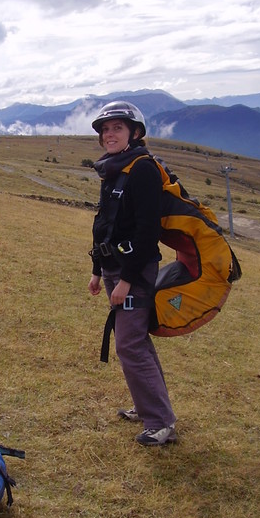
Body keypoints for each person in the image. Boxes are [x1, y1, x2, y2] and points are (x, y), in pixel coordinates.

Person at [88, 101, 177, 446]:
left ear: (135, 133)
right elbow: (105, 223)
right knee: (136, 341)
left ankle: (161, 422)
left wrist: (125, 280)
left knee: (129, 344)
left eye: (117, 128)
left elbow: (145, 231)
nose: (109, 135)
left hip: (134, 270)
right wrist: (97, 271)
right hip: (114, 267)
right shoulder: (114, 168)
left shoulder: (142, 169)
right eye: (105, 130)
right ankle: (149, 407)